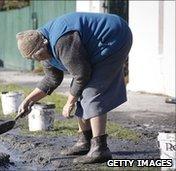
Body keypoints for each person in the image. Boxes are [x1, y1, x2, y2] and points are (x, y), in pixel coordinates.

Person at [16, 12, 132, 164]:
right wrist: (28, 100)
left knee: (91, 91)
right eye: (34, 58)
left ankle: (100, 149)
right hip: (97, 43)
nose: (40, 59)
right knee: (77, 89)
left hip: (113, 36)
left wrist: (69, 102)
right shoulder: (41, 45)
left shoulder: (62, 41)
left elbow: (82, 74)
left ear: (43, 43)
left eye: (39, 55)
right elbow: (52, 79)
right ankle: (84, 141)